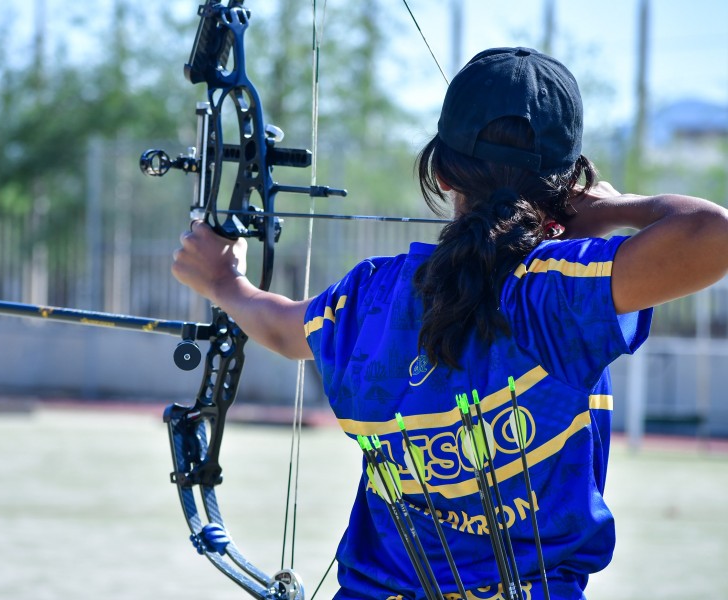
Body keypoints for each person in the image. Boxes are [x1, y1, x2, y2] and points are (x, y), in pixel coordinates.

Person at [171, 47, 728, 600]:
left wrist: (224, 283)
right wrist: (613, 207)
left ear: (440, 173)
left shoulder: (374, 294)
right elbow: (711, 234)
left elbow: (281, 329)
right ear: (571, 184)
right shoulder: (557, 291)